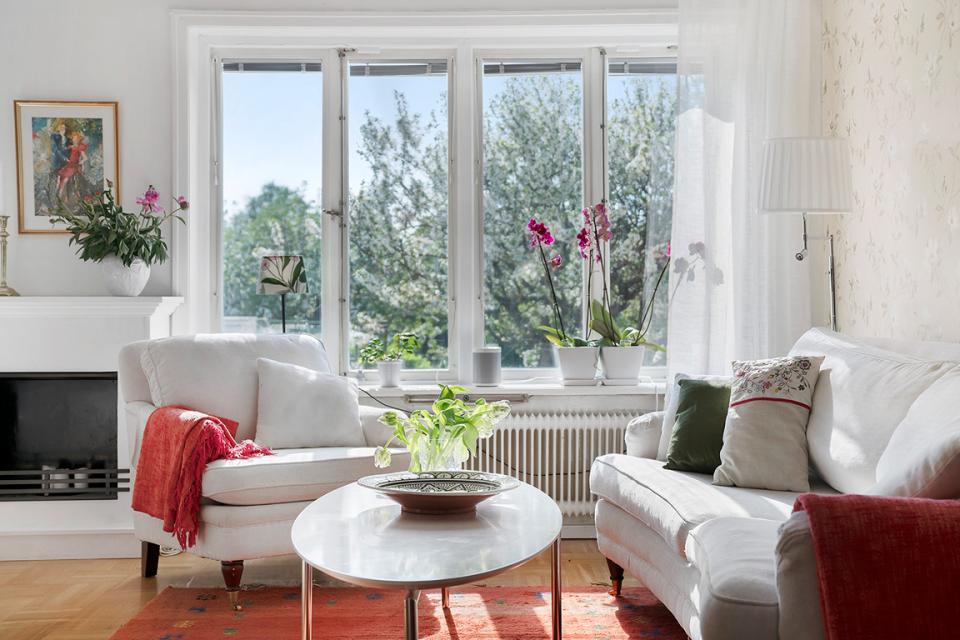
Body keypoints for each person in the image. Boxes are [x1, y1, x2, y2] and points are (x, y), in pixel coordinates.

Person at [57, 130, 88, 199]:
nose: (74, 140)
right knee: (61, 176)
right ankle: (61, 194)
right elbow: (64, 149)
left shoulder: (79, 148)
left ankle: (60, 194)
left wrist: (80, 162)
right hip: (70, 164)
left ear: (78, 140)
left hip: (74, 166)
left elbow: (85, 158)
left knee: (66, 177)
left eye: (75, 138)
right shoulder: (72, 146)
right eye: (73, 138)